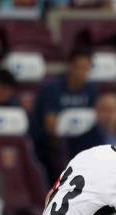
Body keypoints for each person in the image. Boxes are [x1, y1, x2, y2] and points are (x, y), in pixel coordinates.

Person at [32, 49, 97, 181]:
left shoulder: (91, 89)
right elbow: (51, 127)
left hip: (82, 141)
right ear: (70, 67)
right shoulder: (53, 89)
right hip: (50, 145)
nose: (82, 72)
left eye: (86, 68)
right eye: (79, 67)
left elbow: (96, 120)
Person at [67, 92, 116, 158]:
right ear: (96, 111)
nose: (109, 114)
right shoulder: (82, 142)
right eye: (104, 109)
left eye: (112, 109)